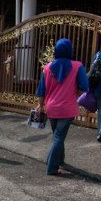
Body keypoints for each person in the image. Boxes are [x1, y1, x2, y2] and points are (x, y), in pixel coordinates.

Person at [35, 38, 89, 176]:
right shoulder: (77, 66)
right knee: (59, 137)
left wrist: (40, 105)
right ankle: (52, 168)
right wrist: (75, 92)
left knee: (57, 136)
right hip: (68, 108)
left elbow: (42, 90)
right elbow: (84, 86)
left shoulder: (47, 68)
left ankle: (60, 160)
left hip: (51, 108)